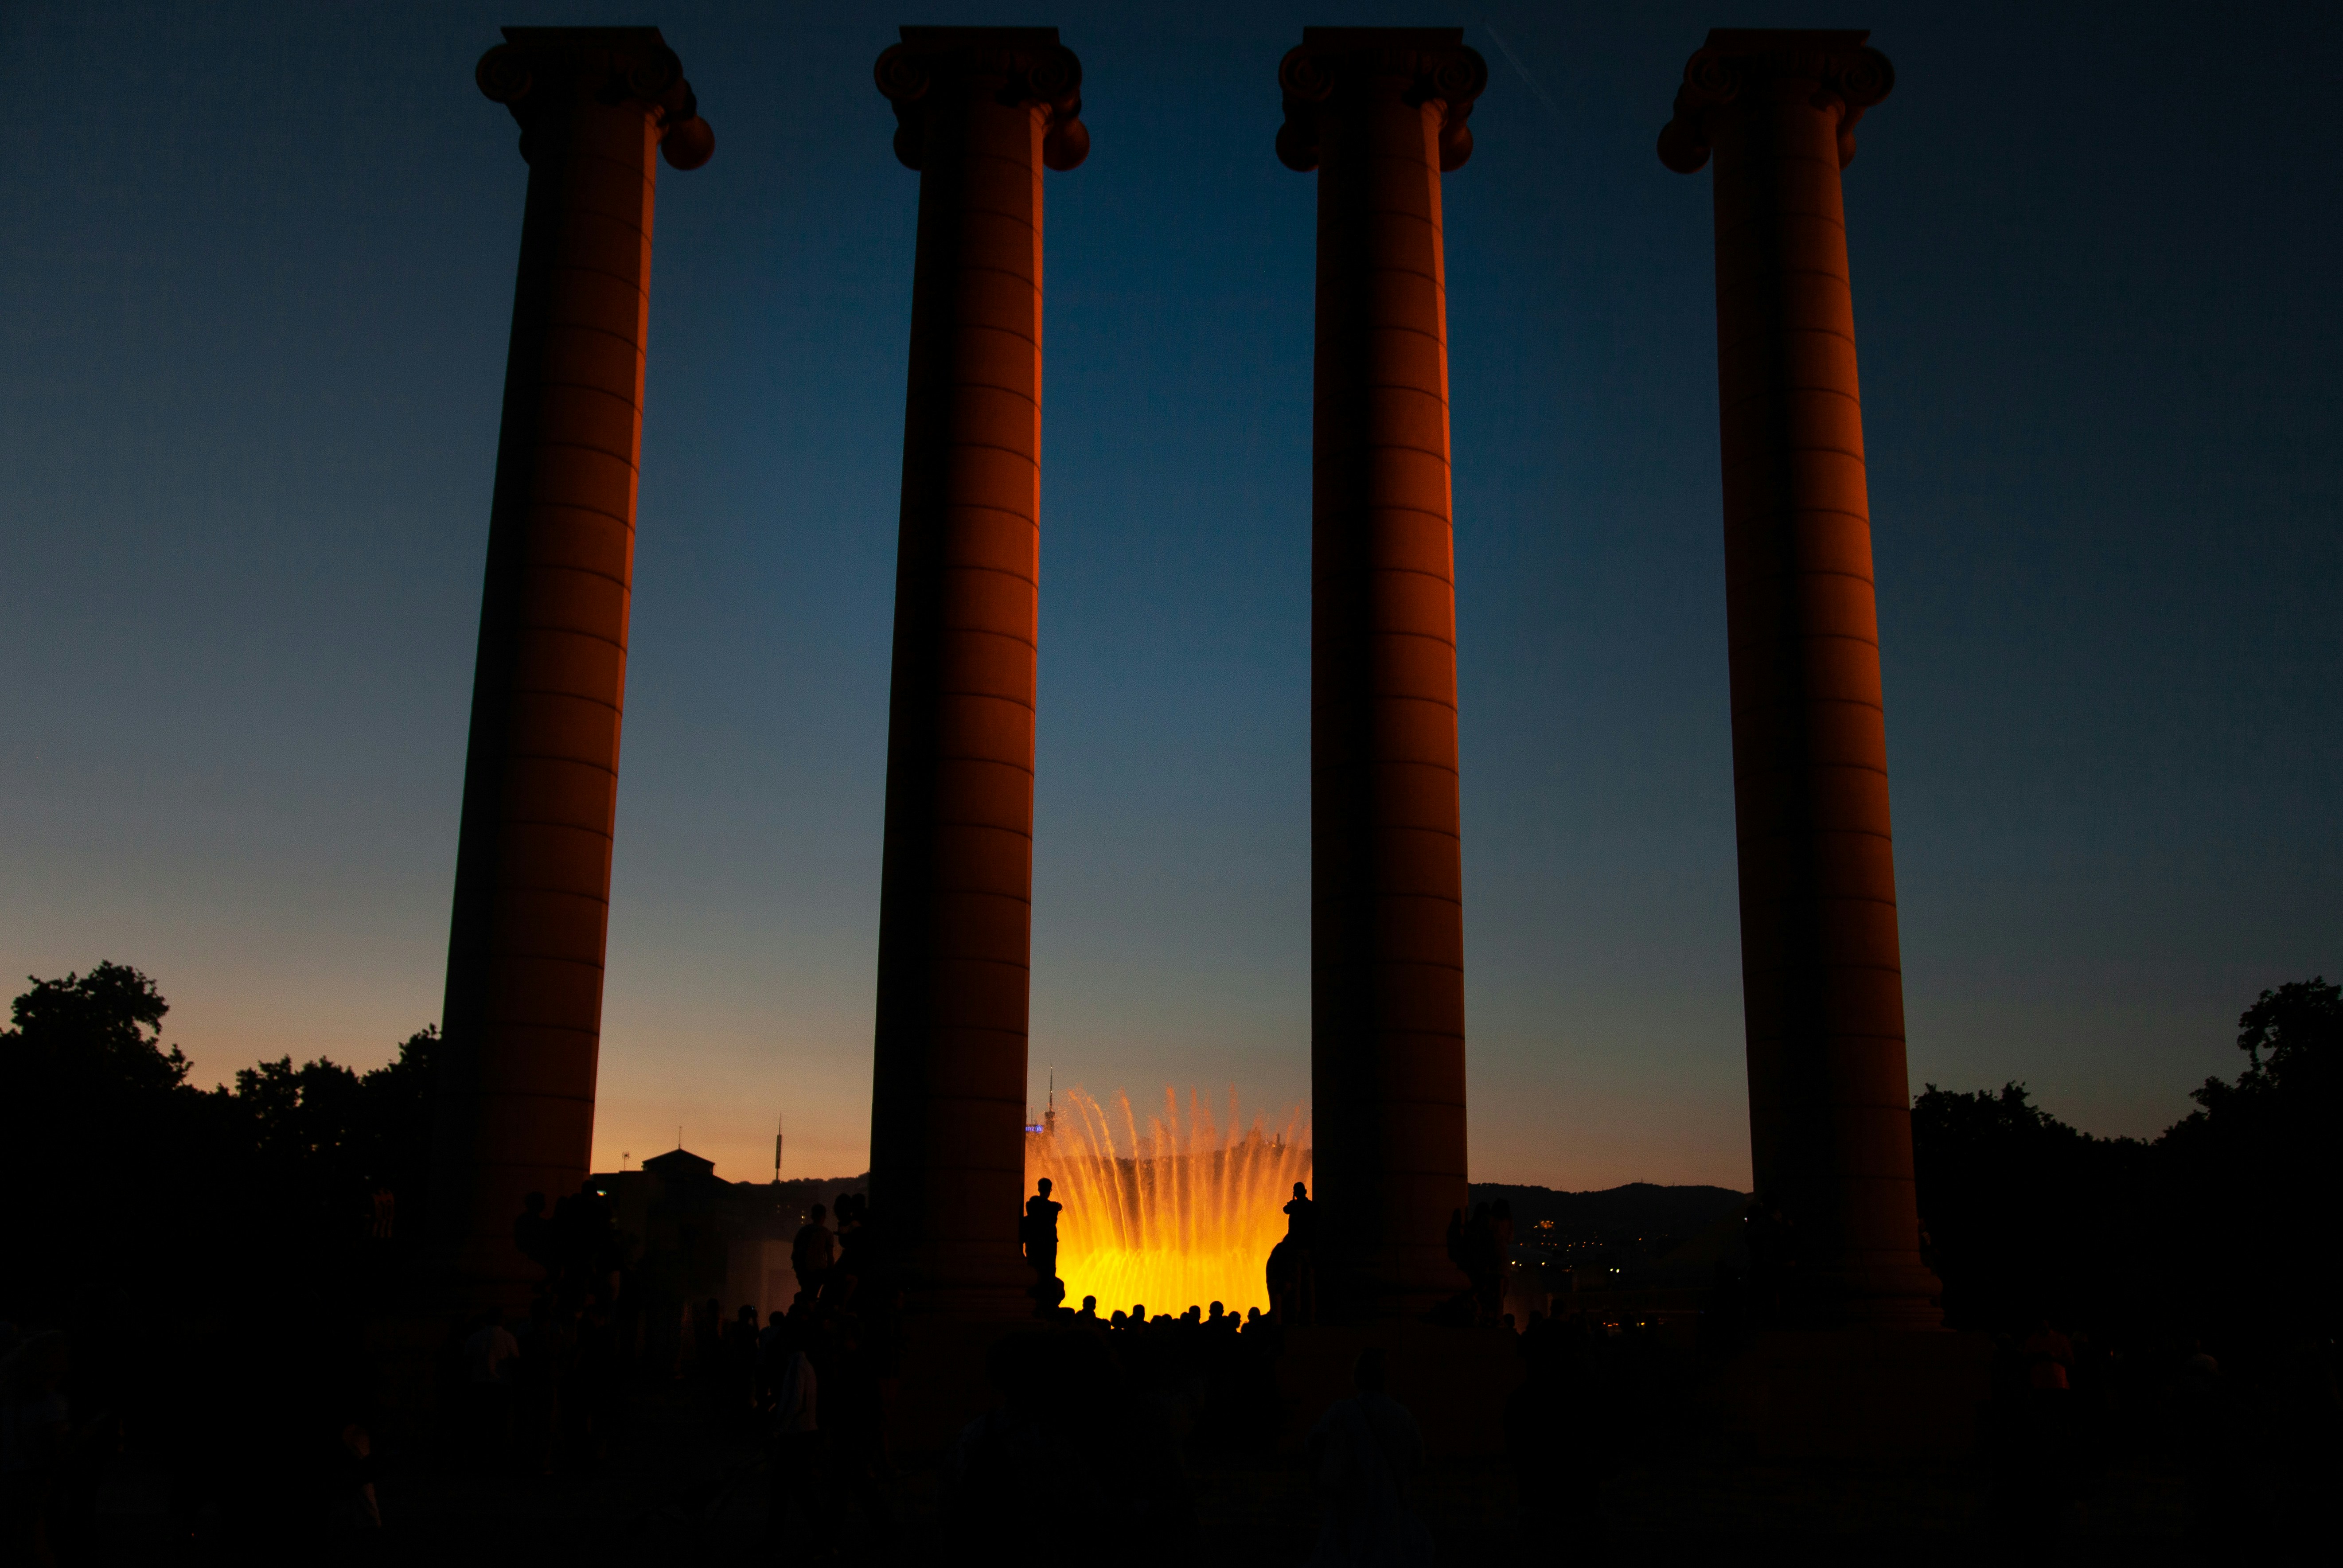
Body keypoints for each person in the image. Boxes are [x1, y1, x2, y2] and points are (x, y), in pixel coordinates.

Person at [1305, 1347, 1431, 1566]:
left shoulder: (1342, 1412)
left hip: (1348, 1510)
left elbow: (1314, 1445)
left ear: (1357, 1377)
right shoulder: (1403, 1416)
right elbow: (1417, 1461)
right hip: (1390, 1512)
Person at [1021, 1179, 1062, 1292]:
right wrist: (1056, 1207)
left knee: (1034, 1268)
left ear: (1039, 1189)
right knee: (1048, 1272)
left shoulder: (1032, 1206)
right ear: (1049, 1190)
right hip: (1048, 1246)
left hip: (1033, 1245)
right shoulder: (1052, 1207)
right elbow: (1052, 1219)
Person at [791, 1203, 836, 1301]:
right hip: (818, 1272)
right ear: (824, 1217)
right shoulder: (826, 1233)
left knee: (808, 1296)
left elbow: (795, 1252)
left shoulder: (803, 1231)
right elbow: (830, 1257)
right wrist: (831, 1274)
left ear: (812, 1216)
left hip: (804, 1271)